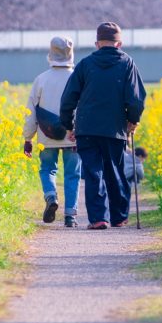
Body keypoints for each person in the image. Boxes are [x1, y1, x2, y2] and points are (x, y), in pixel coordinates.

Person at [60, 22, 146, 230]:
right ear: (119, 43)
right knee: (114, 171)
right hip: (114, 129)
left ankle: (99, 218)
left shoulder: (85, 64)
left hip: (87, 128)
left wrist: (69, 125)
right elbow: (135, 99)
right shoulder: (127, 63)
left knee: (93, 172)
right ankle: (119, 216)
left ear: (97, 43)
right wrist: (132, 120)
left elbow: (68, 98)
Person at [23, 36, 82, 228]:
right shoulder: (78, 78)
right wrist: (79, 130)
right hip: (72, 136)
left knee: (47, 168)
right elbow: (83, 108)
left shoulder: (41, 79)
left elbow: (31, 111)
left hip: (46, 135)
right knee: (72, 174)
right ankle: (70, 216)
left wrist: (28, 137)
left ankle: (50, 196)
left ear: (51, 53)